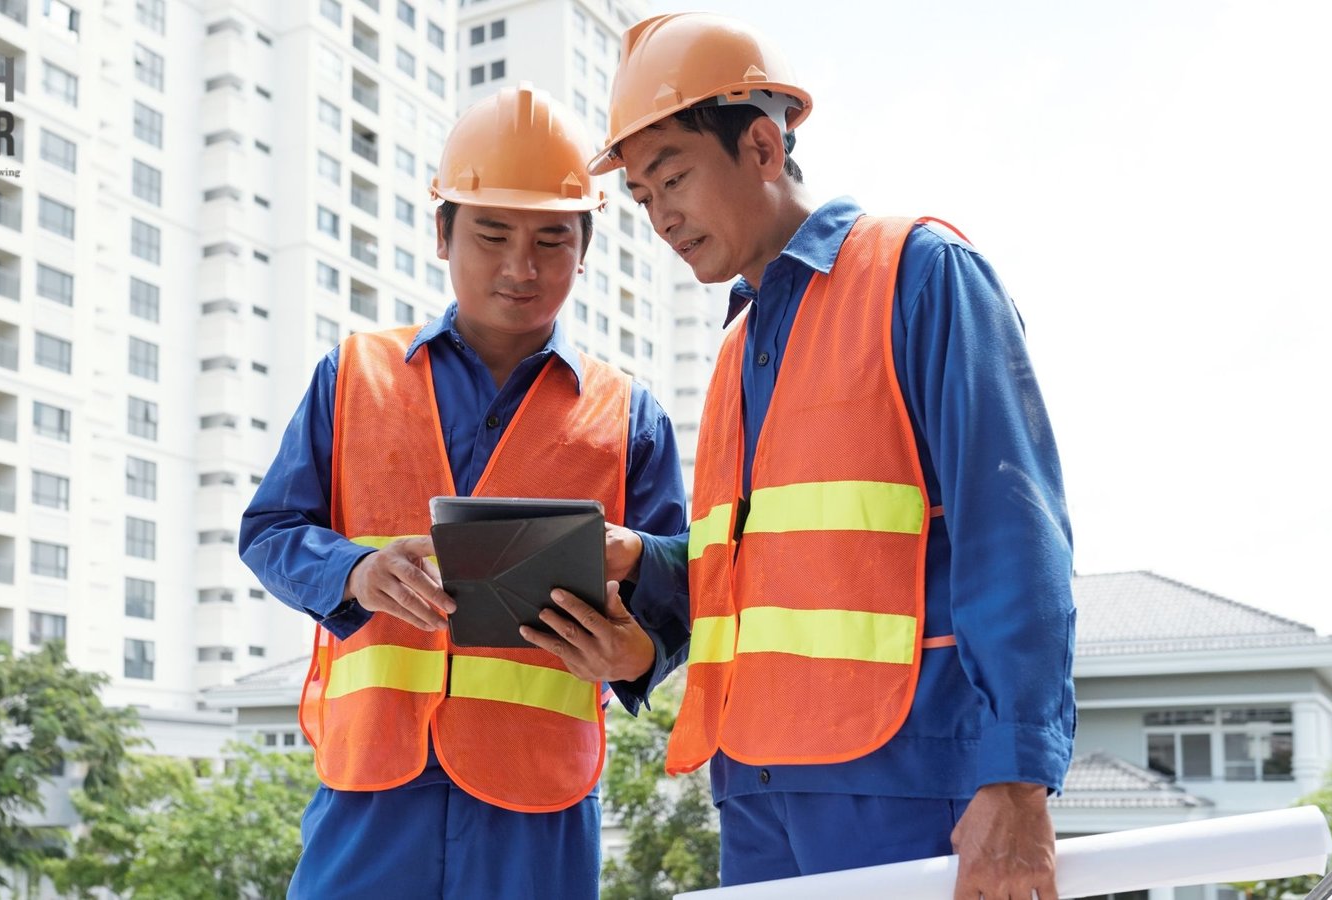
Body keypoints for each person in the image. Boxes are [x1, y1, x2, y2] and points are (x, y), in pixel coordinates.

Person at [584, 12, 1077, 899]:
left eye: (673, 178)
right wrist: (648, 565)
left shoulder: (920, 274)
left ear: (764, 148)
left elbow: (1013, 531)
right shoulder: (738, 347)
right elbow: (775, 570)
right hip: (759, 796)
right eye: (642, 196)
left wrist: (1017, 775)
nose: (659, 216)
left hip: (907, 781)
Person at [239, 83, 689, 900]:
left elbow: (679, 589)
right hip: (370, 793)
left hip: (538, 809)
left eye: (552, 241)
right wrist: (354, 575)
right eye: (491, 234)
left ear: (584, 250)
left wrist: (640, 655)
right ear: (442, 232)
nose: (521, 268)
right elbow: (270, 529)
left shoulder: (629, 418)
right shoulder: (353, 378)